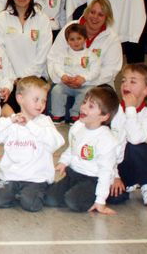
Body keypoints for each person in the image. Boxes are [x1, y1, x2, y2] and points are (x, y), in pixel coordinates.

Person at [0, 77, 64, 212]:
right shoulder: (11, 123)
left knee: (31, 204)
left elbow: (57, 142)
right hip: (10, 177)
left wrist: (30, 125)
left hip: (36, 179)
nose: (40, 105)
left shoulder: (44, 122)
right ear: (20, 99)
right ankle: (17, 193)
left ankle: (38, 191)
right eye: (36, 99)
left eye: (43, 100)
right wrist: (9, 120)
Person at [45, 86, 120, 214]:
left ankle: (96, 196)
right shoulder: (78, 126)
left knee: (73, 201)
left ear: (104, 116)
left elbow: (105, 173)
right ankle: (72, 191)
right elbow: (72, 148)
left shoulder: (106, 139)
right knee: (50, 199)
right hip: (73, 175)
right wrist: (63, 162)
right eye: (84, 102)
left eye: (91, 106)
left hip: (92, 180)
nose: (83, 107)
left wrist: (100, 201)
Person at [108, 64, 147, 206]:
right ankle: (127, 184)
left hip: (133, 160)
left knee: (136, 147)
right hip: (111, 165)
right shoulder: (112, 111)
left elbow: (135, 138)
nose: (126, 84)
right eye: (124, 80)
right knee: (114, 199)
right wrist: (114, 176)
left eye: (133, 81)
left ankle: (146, 184)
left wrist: (130, 109)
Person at [48, 0, 123, 89]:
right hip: (65, 82)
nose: (95, 17)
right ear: (87, 12)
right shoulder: (70, 28)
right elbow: (53, 57)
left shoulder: (112, 38)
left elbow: (111, 70)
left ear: (106, 18)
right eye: (92, 12)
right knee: (54, 95)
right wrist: (63, 78)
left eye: (100, 15)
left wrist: (85, 80)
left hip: (98, 86)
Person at [48, 23, 101, 123]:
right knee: (56, 90)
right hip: (67, 83)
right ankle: (58, 114)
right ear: (67, 41)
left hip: (84, 85)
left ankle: (76, 114)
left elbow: (96, 70)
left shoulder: (91, 55)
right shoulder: (63, 53)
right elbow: (57, 65)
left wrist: (84, 78)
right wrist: (63, 76)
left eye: (79, 38)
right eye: (72, 39)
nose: (76, 42)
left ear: (85, 39)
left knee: (88, 93)